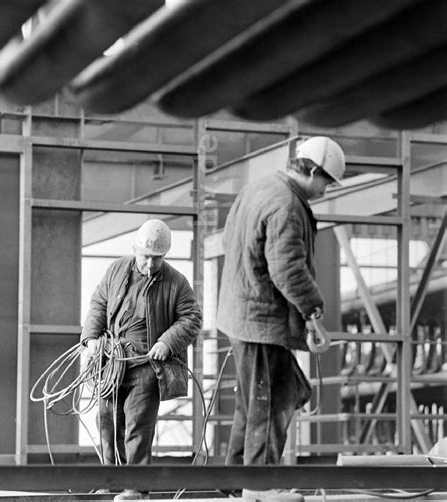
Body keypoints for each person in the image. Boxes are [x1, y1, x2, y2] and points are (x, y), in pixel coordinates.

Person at [217, 136, 345, 501]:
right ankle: (258, 485)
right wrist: (313, 310)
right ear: (314, 171)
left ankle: (237, 481)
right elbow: (288, 270)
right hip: (260, 321)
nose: (326, 189)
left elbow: (231, 242)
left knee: (255, 401)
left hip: (244, 315)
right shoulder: (287, 205)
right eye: (327, 181)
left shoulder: (258, 187)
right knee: (273, 401)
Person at [81, 219, 202, 501]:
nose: (149, 265)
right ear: (135, 249)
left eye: (156, 258)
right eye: (146, 257)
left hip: (147, 367)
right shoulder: (116, 270)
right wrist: (90, 339)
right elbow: (98, 303)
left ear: (165, 255)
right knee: (108, 423)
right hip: (112, 362)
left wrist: (166, 342)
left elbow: (192, 318)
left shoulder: (176, 282)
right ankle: (110, 483)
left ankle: (135, 488)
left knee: (137, 426)